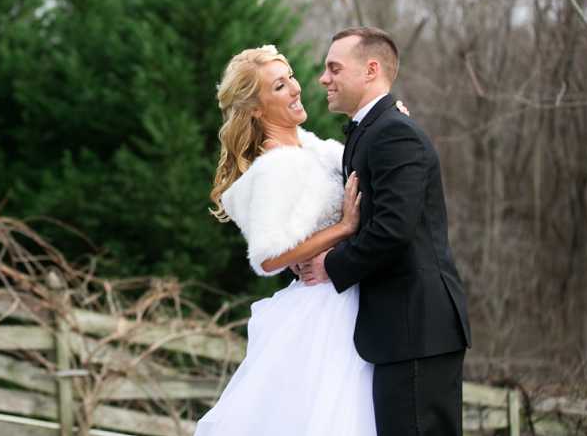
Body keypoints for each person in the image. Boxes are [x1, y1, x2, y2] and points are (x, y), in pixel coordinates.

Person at [195, 45, 380, 436]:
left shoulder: (310, 145)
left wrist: (389, 118)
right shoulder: (276, 161)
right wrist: (344, 227)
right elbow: (268, 257)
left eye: (291, 76)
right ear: (257, 109)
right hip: (323, 308)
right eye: (280, 86)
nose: (296, 88)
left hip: (347, 293)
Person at [295, 27, 471, 436]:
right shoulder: (374, 131)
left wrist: (330, 266)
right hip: (399, 329)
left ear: (371, 70)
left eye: (334, 68)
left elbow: (394, 229)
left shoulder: (393, 132)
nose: (323, 78)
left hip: (417, 327)